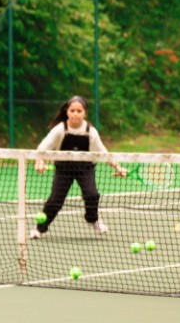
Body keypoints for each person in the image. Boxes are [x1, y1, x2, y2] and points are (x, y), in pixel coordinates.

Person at [30, 96, 127, 239]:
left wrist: (118, 167)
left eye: (79, 111)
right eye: (72, 110)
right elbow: (42, 148)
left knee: (92, 195)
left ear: (85, 113)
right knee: (55, 200)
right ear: (67, 112)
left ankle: (93, 219)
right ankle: (39, 229)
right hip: (64, 169)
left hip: (85, 168)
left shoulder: (90, 131)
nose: (75, 113)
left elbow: (103, 152)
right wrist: (39, 161)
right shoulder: (60, 129)